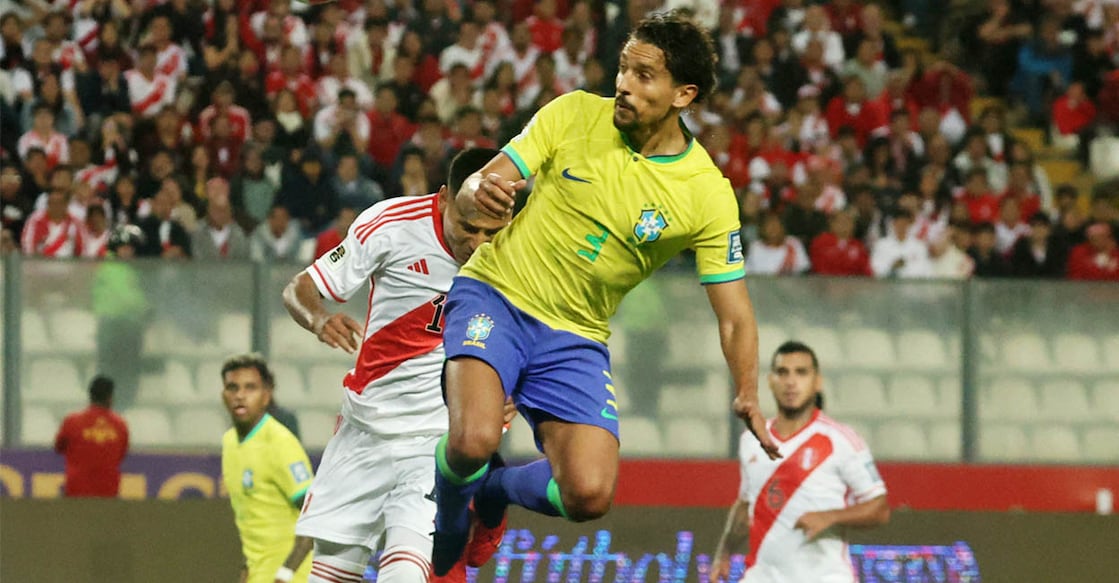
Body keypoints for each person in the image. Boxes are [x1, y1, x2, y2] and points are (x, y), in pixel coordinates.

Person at [430, 12, 779, 576]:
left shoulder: (707, 195)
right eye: (623, 68)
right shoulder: (572, 114)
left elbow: (735, 315)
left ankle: (491, 492)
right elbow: (480, 185)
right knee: (470, 439)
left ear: (682, 94)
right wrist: (477, 195)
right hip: (495, 294)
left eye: (644, 76)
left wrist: (747, 393)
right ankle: (446, 522)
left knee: (588, 494)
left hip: (575, 336)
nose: (624, 83)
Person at [281, 148, 512, 583]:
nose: (478, 244)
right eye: (467, 227)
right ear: (444, 198)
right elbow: (300, 288)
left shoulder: (519, 247)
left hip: (435, 440)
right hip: (364, 432)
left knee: (405, 573)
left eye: (490, 232)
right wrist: (319, 319)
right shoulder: (391, 225)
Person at [710, 341, 890, 583]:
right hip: (763, 576)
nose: (791, 382)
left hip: (825, 577)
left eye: (801, 372)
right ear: (770, 381)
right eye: (782, 372)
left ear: (817, 382)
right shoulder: (751, 441)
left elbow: (879, 508)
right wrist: (725, 552)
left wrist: (829, 517)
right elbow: (745, 506)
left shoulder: (840, 440)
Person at [219, 353, 314, 583]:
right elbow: (250, 517)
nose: (240, 395)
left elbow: (315, 516)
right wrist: (246, 568)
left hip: (293, 575)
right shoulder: (230, 442)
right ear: (223, 394)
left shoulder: (280, 443)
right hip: (258, 574)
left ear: (266, 396)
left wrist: (286, 573)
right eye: (233, 387)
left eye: (250, 387)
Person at [54, 376, 130, 498]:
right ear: (110, 398)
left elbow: (58, 448)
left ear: (90, 396)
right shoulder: (121, 425)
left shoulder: (71, 421)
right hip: (109, 494)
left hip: (76, 493)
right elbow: (121, 455)